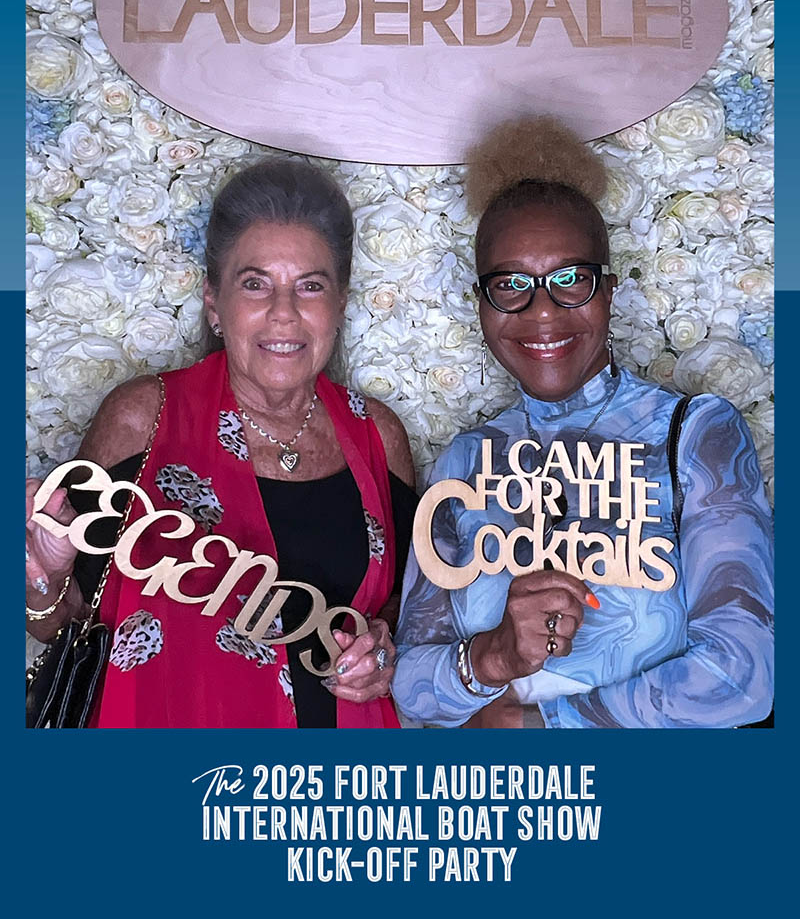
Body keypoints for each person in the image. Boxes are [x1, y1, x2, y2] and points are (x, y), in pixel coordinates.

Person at [393, 118, 773, 728]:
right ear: (482, 304)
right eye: (510, 284)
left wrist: (540, 725)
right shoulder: (466, 461)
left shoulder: (694, 436)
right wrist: (493, 657)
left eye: (571, 280)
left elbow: (742, 676)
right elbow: (412, 687)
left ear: (610, 291)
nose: (542, 310)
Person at [26, 157, 417, 728]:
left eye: (310, 286)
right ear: (214, 302)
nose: (283, 313)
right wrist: (44, 577)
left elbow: (405, 613)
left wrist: (380, 653)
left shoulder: (377, 436)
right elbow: (67, 628)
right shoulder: (143, 418)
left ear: (339, 304)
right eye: (255, 284)